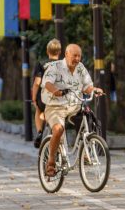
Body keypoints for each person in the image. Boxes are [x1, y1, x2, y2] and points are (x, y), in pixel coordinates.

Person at [41, 44, 104, 178]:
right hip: (55, 106)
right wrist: (56, 91)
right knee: (58, 130)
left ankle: (86, 152)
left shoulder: (80, 68)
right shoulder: (55, 67)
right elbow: (47, 83)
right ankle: (51, 161)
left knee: (88, 118)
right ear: (66, 54)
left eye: (79, 56)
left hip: (74, 105)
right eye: (74, 55)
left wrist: (94, 90)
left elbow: (87, 87)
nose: (77, 59)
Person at [31, 38, 62, 149]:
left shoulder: (41, 64)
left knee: (39, 109)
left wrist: (34, 98)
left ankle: (40, 132)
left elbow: (37, 83)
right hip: (60, 98)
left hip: (44, 99)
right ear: (59, 52)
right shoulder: (63, 64)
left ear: (47, 51)